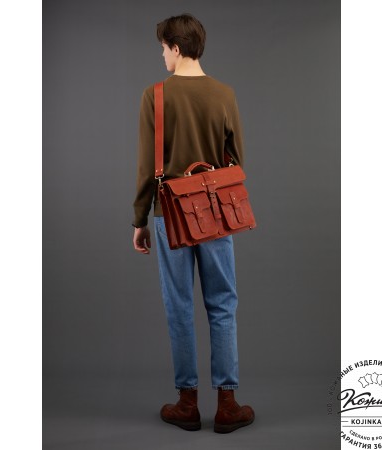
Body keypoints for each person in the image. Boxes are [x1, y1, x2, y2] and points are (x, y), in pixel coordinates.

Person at [131, 13, 255, 433]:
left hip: (169, 215)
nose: (162, 55)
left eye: (163, 48)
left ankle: (187, 404)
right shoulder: (224, 94)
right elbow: (237, 158)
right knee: (223, 304)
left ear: (176, 47)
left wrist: (139, 218)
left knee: (179, 307)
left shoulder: (155, 95)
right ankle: (227, 405)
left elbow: (146, 166)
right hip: (216, 214)